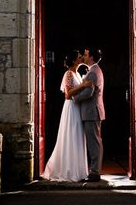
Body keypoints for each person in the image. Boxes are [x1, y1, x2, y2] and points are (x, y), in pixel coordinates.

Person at [40, 49, 89, 181]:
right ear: (74, 60)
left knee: (78, 136)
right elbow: (67, 94)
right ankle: (67, 170)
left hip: (78, 107)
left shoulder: (77, 74)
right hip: (71, 108)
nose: (81, 59)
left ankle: (78, 170)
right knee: (71, 136)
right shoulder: (68, 74)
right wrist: (83, 86)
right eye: (79, 57)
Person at [68, 48, 105, 182]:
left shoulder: (93, 72)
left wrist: (74, 98)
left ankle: (95, 173)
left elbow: (88, 93)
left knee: (94, 142)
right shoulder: (95, 70)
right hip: (93, 111)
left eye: (85, 54)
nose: (83, 56)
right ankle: (95, 170)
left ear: (91, 58)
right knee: (96, 141)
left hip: (91, 112)